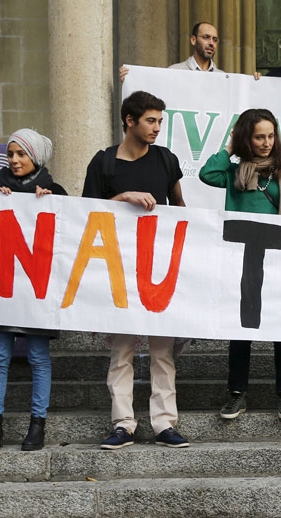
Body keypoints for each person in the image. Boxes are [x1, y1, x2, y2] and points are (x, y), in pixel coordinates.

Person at [83, 91, 190, 450]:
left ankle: (164, 424)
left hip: (159, 268)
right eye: (150, 120)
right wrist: (123, 197)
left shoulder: (166, 160)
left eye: (160, 121)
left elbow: (180, 207)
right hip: (119, 270)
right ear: (130, 121)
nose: (157, 127)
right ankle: (123, 424)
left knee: (163, 351)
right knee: (122, 351)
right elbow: (88, 214)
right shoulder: (103, 163)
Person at [199, 108, 281, 421]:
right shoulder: (234, 172)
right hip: (242, 260)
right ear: (246, 138)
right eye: (259, 137)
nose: (266, 143)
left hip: (279, 259)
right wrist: (230, 146)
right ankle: (237, 393)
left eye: (271, 136)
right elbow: (207, 174)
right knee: (241, 326)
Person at [0, 129, 66, 452]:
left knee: (38, 357)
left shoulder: (55, 190)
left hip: (36, 289)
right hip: (5, 287)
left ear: (36, 157)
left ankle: (37, 424)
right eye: (10, 154)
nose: (14, 160)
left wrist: (53, 202)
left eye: (21, 154)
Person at [119, 21, 222, 82]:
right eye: (206, 37)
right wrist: (132, 78)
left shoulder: (224, 78)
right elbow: (154, 92)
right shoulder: (174, 71)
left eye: (215, 40)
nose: (211, 43)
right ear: (193, 40)